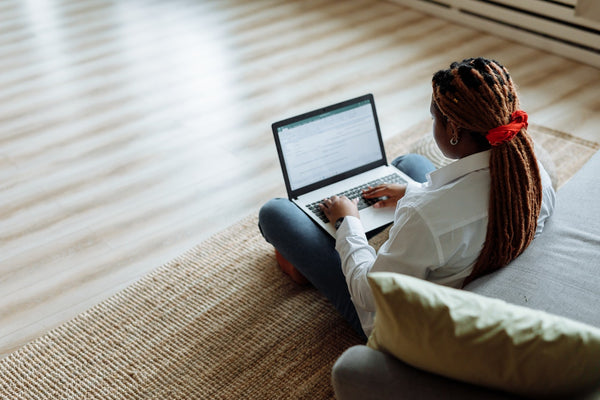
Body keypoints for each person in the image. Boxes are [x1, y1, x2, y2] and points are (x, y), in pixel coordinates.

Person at [258, 57, 556, 339]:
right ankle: (311, 254)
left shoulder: (425, 216)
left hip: (394, 322)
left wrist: (348, 222)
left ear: (453, 129)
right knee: (408, 164)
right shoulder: (530, 174)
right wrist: (410, 192)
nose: (432, 124)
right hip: (461, 260)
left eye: (433, 118)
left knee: (275, 213)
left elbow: (368, 294)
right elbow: (462, 209)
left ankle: (311, 255)